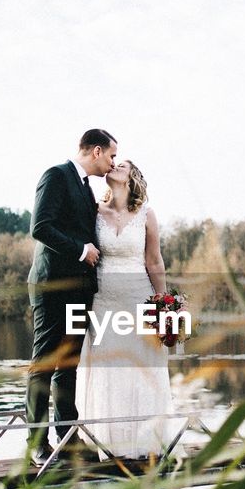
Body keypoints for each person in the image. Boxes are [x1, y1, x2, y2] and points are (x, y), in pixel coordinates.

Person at [25, 128, 116, 463]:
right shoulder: (56, 176)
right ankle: (37, 443)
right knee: (44, 364)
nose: (112, 162)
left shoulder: (85, 187)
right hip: (52, 287)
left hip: (79, 291)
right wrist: (81, 251)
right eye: (111, 155)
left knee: (68, 365)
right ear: (95, 151)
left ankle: (67, 438)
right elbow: (40, 227)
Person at [76, 159, 175, 460]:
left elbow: (154, 261)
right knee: (108, 370)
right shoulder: (93, 211)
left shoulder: (147, 214)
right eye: (113, 161)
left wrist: (163, 304)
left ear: (132, 178)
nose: (113, 165)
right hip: (103, 300)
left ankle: (145, 444)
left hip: (138, 298)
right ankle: (107, 443)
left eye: (122, 164)